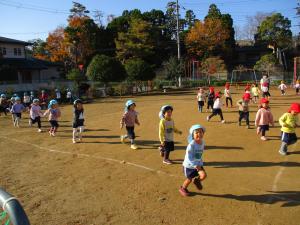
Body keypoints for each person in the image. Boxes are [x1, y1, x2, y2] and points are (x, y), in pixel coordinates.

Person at [179, 124, 207, 197]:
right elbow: (189, 157)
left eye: (201, 132)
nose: (199, 134)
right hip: (189, 166)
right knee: (189, 179)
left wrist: (200, 163)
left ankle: (197, 181)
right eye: (196, 132)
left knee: (203, 175)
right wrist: (195, 165)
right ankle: (183, 188)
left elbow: (200, 154)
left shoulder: (202, 142)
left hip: (198, 164)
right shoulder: (191, 145)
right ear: (192, 135)